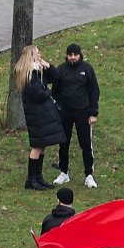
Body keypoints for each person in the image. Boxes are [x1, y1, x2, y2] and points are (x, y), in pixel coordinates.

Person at [15, 46, 67, 192]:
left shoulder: (37, 71)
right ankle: (31, 179)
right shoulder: (28, 74)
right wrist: (48, 92)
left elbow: (56, 76)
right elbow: (38, 94)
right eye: (37, 54)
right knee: (37, 146)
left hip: (42, 113)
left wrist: (47, 65)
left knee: (42, 145)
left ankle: (38, 177)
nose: (40, 55)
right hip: (36, 114)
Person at [49, 43, 99, 188]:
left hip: (83, 112)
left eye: (75, 55)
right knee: (63, 143)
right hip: (65, 112)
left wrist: (93, 113)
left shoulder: (87, 69)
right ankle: (63, 172)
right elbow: (55, 91)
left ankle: (89, 174)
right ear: (67, 55)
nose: (72, 58)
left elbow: (94, 91)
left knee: (85, 144)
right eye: (70, 55)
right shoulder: (61, 70)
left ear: (79, 55)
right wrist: (58, 108)